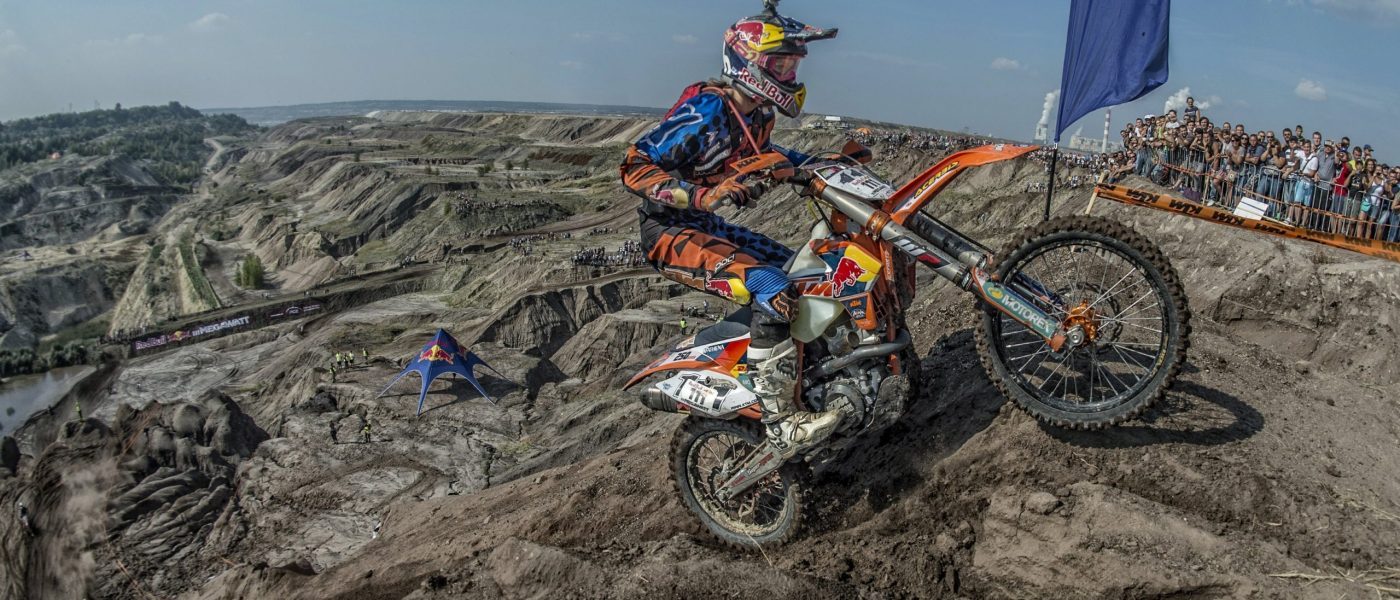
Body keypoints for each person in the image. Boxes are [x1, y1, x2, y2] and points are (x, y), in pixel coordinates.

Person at [620, 0, 842, 459]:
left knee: (805, 271)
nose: (788, 74)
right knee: (772, 286)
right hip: (669, 234)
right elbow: (635, 165)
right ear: (748, 61)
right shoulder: (707, 109)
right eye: (779, 64)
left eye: (792, 65)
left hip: (706, 226)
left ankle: (815, 377)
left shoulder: (758, 114)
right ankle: (783, 421)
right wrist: (699, 195)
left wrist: (821, 164)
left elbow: (764, 154)